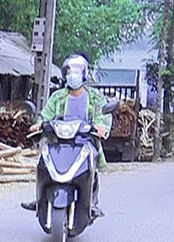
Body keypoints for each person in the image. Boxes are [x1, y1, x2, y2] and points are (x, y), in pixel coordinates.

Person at [21, 54, 112, 216]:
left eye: (76, 72)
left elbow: (103, 115)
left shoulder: (95, 97)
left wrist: (101, 127)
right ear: (64, 75)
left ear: (84, 73)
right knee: (43, 163)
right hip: (58, 140)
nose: (73, 76)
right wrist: (39, 123)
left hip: (85, 141)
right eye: (69, 72)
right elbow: (46, 114)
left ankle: (91, 202)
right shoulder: (58, 96)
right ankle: (40, 197)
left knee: (93, 169)